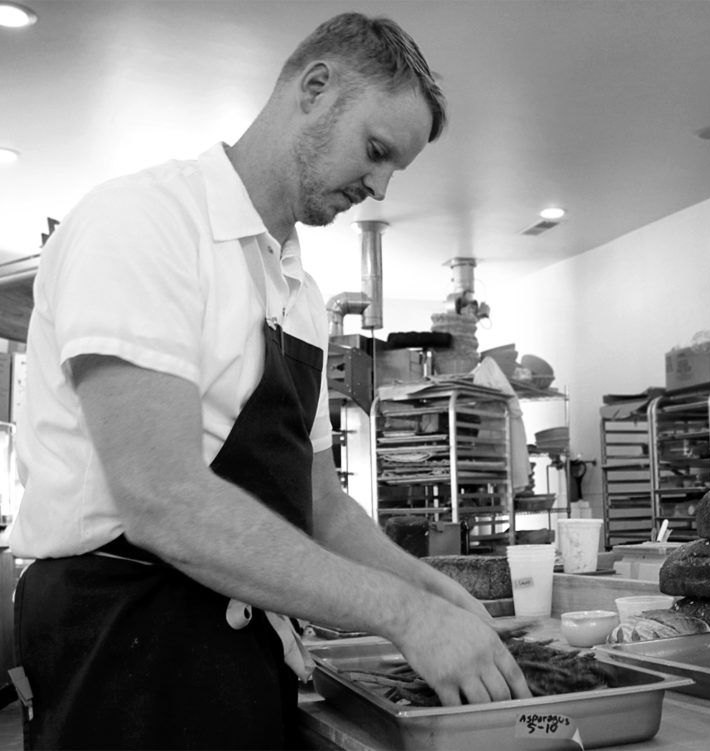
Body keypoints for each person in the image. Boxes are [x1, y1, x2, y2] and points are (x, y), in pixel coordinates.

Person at [9, 11, 530, 749]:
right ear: (315, 89)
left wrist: (432, 589)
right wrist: (405, 617)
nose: (380, 188)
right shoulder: (144, 223)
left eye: (394, 170)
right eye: (376, 151)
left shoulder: (297, 293)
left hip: (242, 643)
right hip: (120, 647)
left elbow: (318, 502)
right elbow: (165, 502)